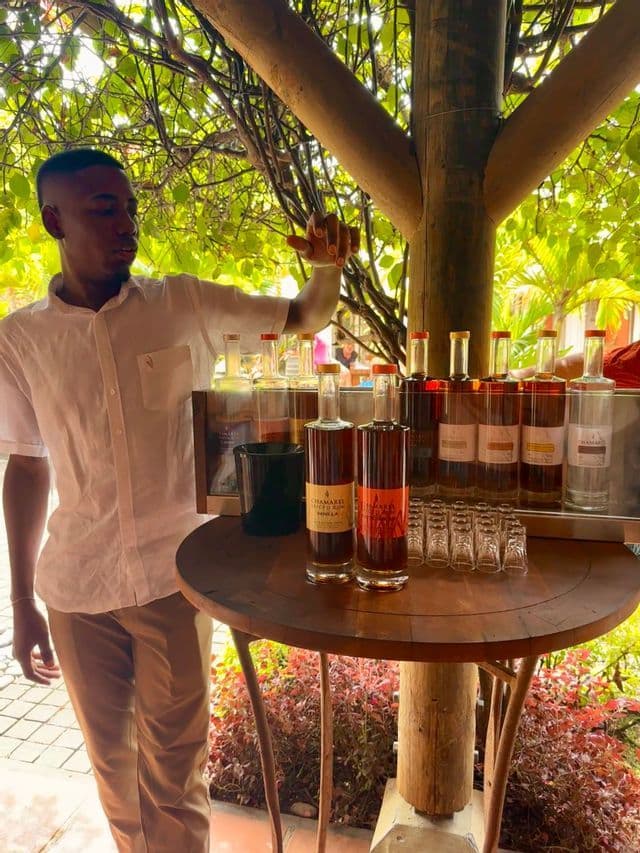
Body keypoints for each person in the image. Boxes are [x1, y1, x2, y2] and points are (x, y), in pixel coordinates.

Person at [0, 148, 359, 853]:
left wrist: (327, 268)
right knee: (114, 772)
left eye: (129, 207)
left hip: (173, 580)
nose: (125, 222)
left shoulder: (184, 304)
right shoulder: (20, 340)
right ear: (53, 219)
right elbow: (25, 463)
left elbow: (303, 317)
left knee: (175, 775)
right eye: (104, 207)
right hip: (76, 589)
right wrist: (21, 605)